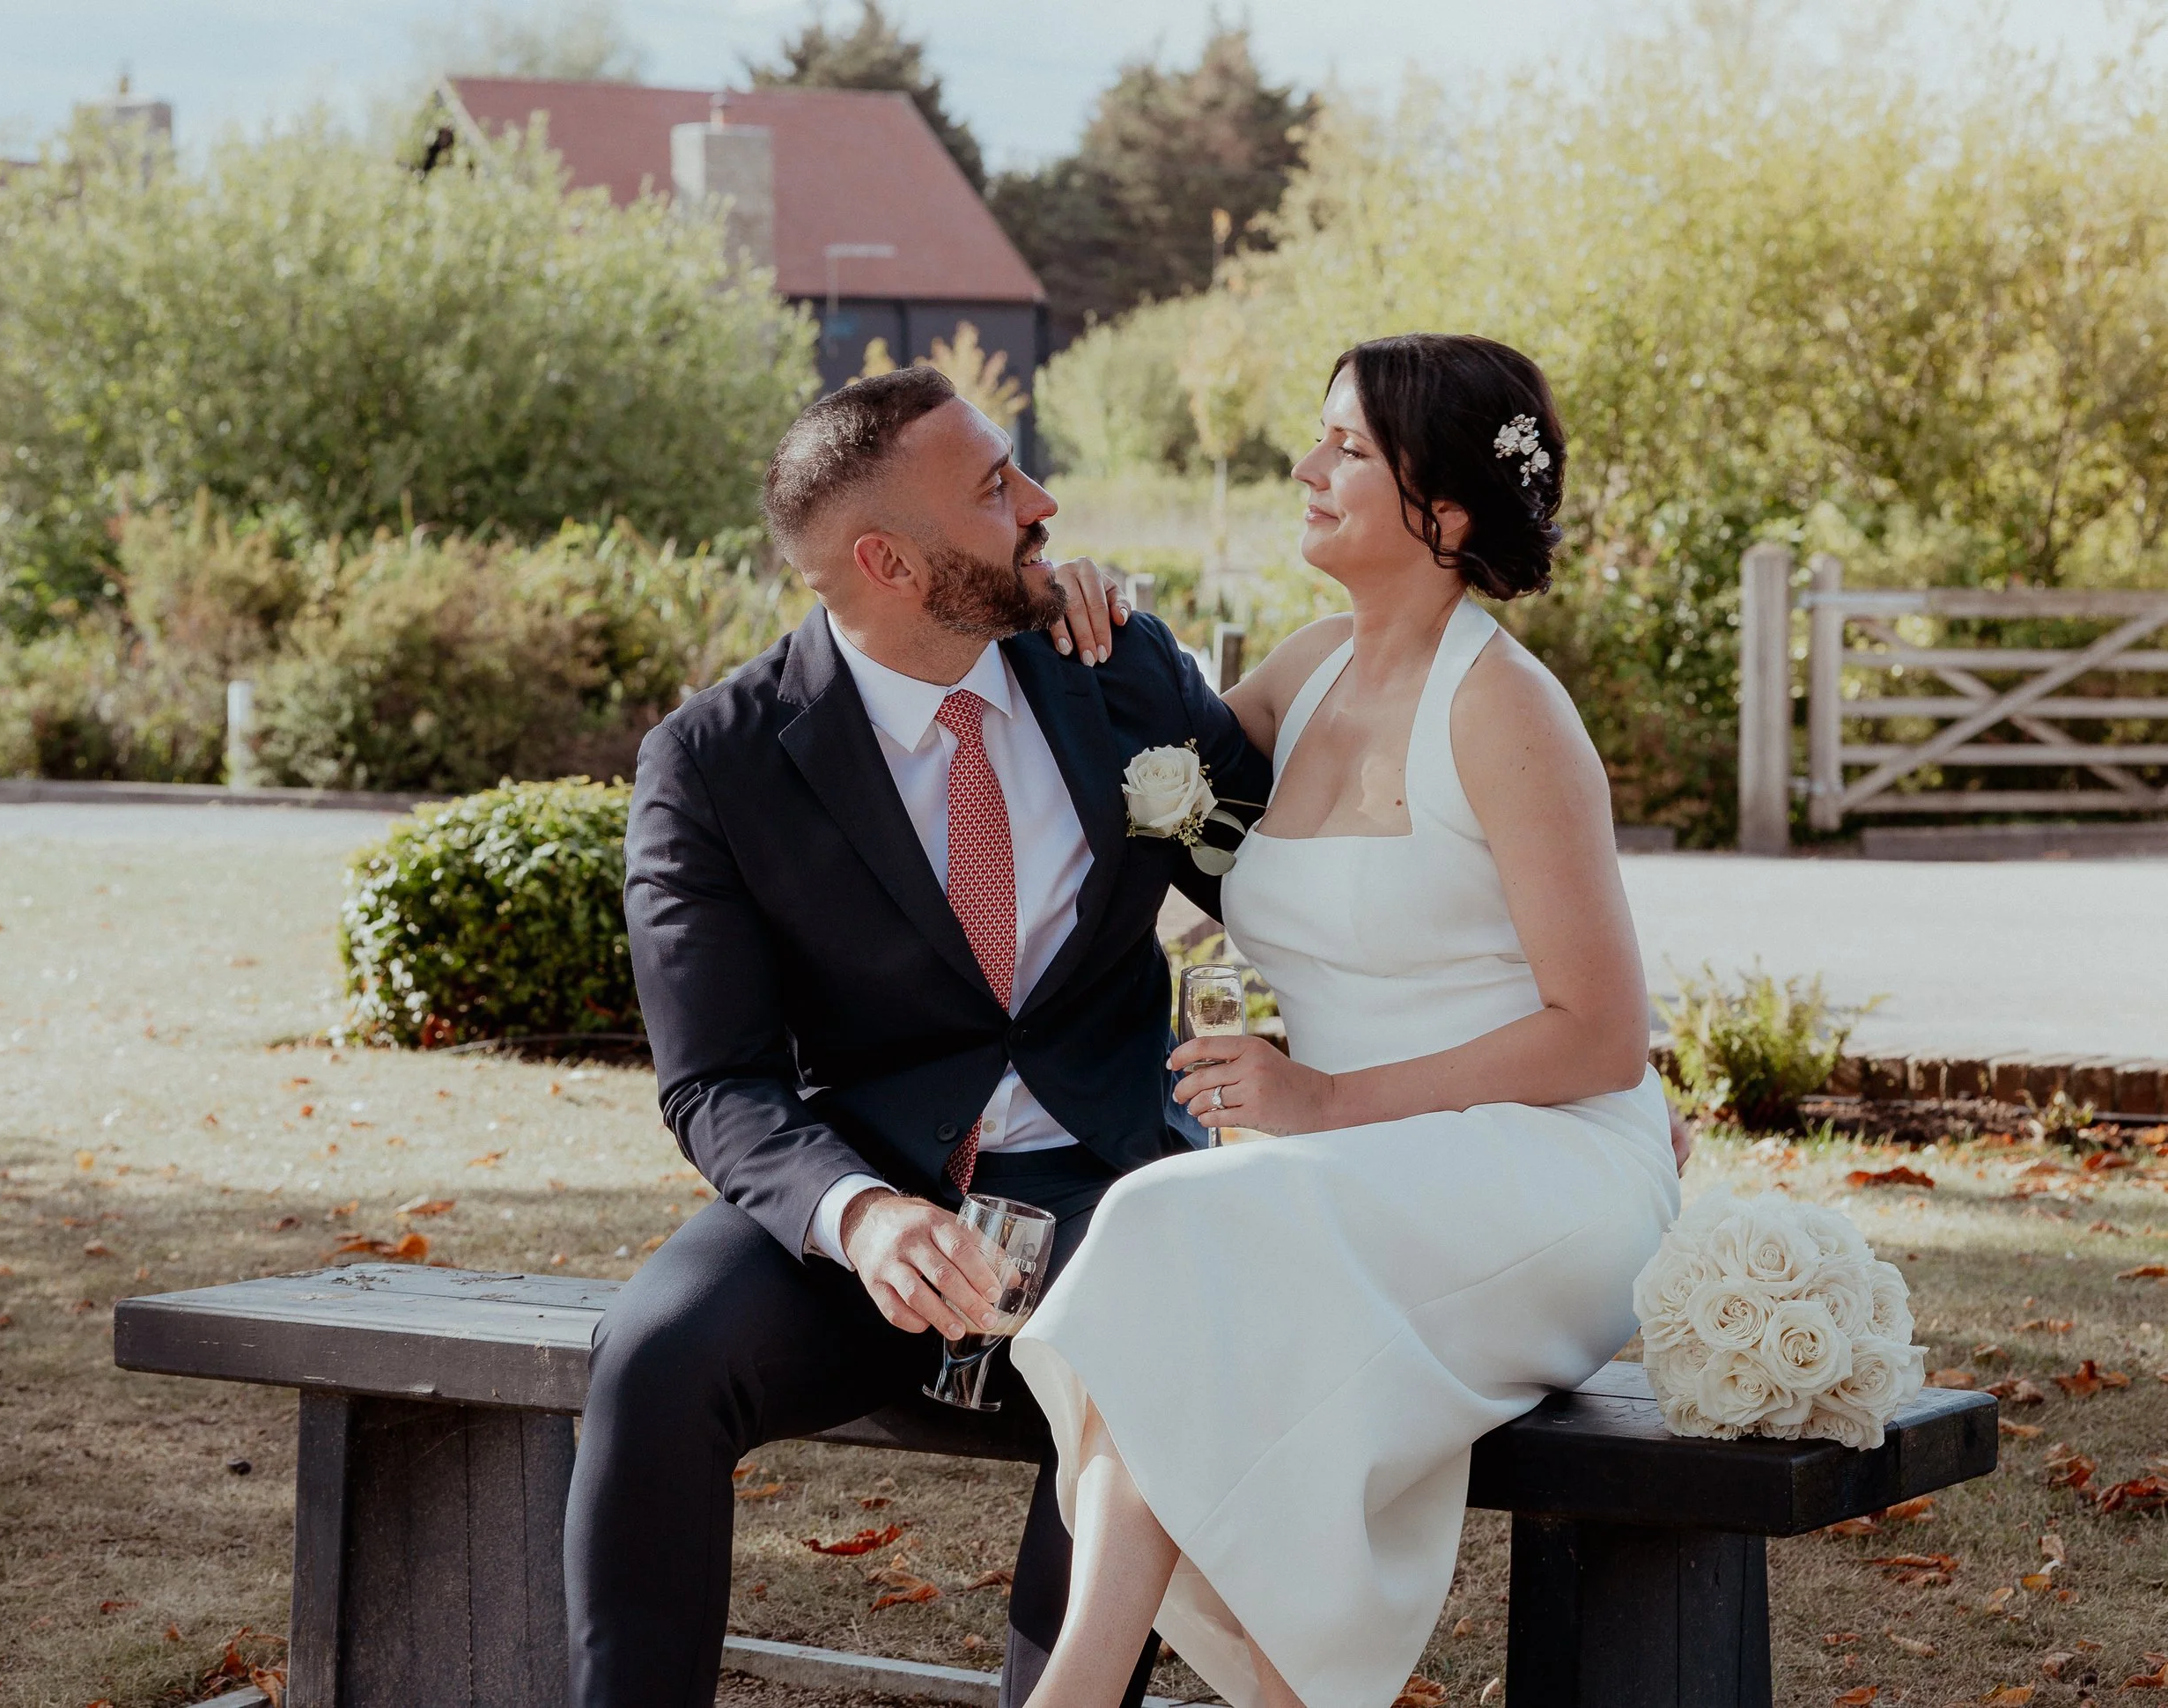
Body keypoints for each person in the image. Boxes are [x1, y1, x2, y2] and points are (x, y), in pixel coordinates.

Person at [564, 364, 1272, 1707]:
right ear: (887, 562)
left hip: (1110, 1184)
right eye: (996, 490)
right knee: (654, 1356)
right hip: (864, 1194)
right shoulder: (712, 762)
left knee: (1139, 1362)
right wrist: (862, 1217)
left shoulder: (1115, 666)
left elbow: (1292, 873)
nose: (1042, 503)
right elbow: (715, 1084)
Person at [1009, 333, 1685, 1708]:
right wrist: (1080, 606)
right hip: (1339, 1185)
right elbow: (1150, 740)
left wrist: (1320, 1102)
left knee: (1180, 1233)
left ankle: (1079, 1691)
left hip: (1543, 1167)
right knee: (1203, 1281)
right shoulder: (1307, 672)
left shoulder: (1508, 712)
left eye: (1350, 449)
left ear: (1447, 514)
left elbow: (1602, 1036)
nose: (1306, 468)